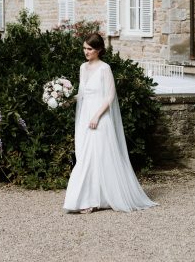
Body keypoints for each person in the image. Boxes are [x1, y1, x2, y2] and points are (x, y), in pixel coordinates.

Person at [63, 33, 157, 213]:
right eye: (84, 48)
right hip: (84, 116)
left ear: (99, 50)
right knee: (84, 155)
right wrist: (65, 99)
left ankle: (86, 200)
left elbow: (110, 96)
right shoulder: (83, 67)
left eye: (89, 49)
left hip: (99, 117)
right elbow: (83, 94)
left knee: (95, 156)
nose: (86, 52)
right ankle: (94, 197)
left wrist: (97, 116)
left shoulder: (105, 68)